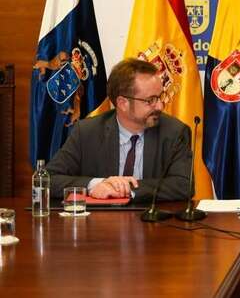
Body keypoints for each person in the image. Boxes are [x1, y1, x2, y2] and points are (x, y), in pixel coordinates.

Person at [46, 59, 191, 203]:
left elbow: (184, 186)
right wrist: (96, 185)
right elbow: (47, 179)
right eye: (151, 100)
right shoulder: (86, 132)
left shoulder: (174, 132)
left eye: (160, 97)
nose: (160, 106)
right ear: (123, 103)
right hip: (99, 223)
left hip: (151, 223)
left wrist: (125, 188)